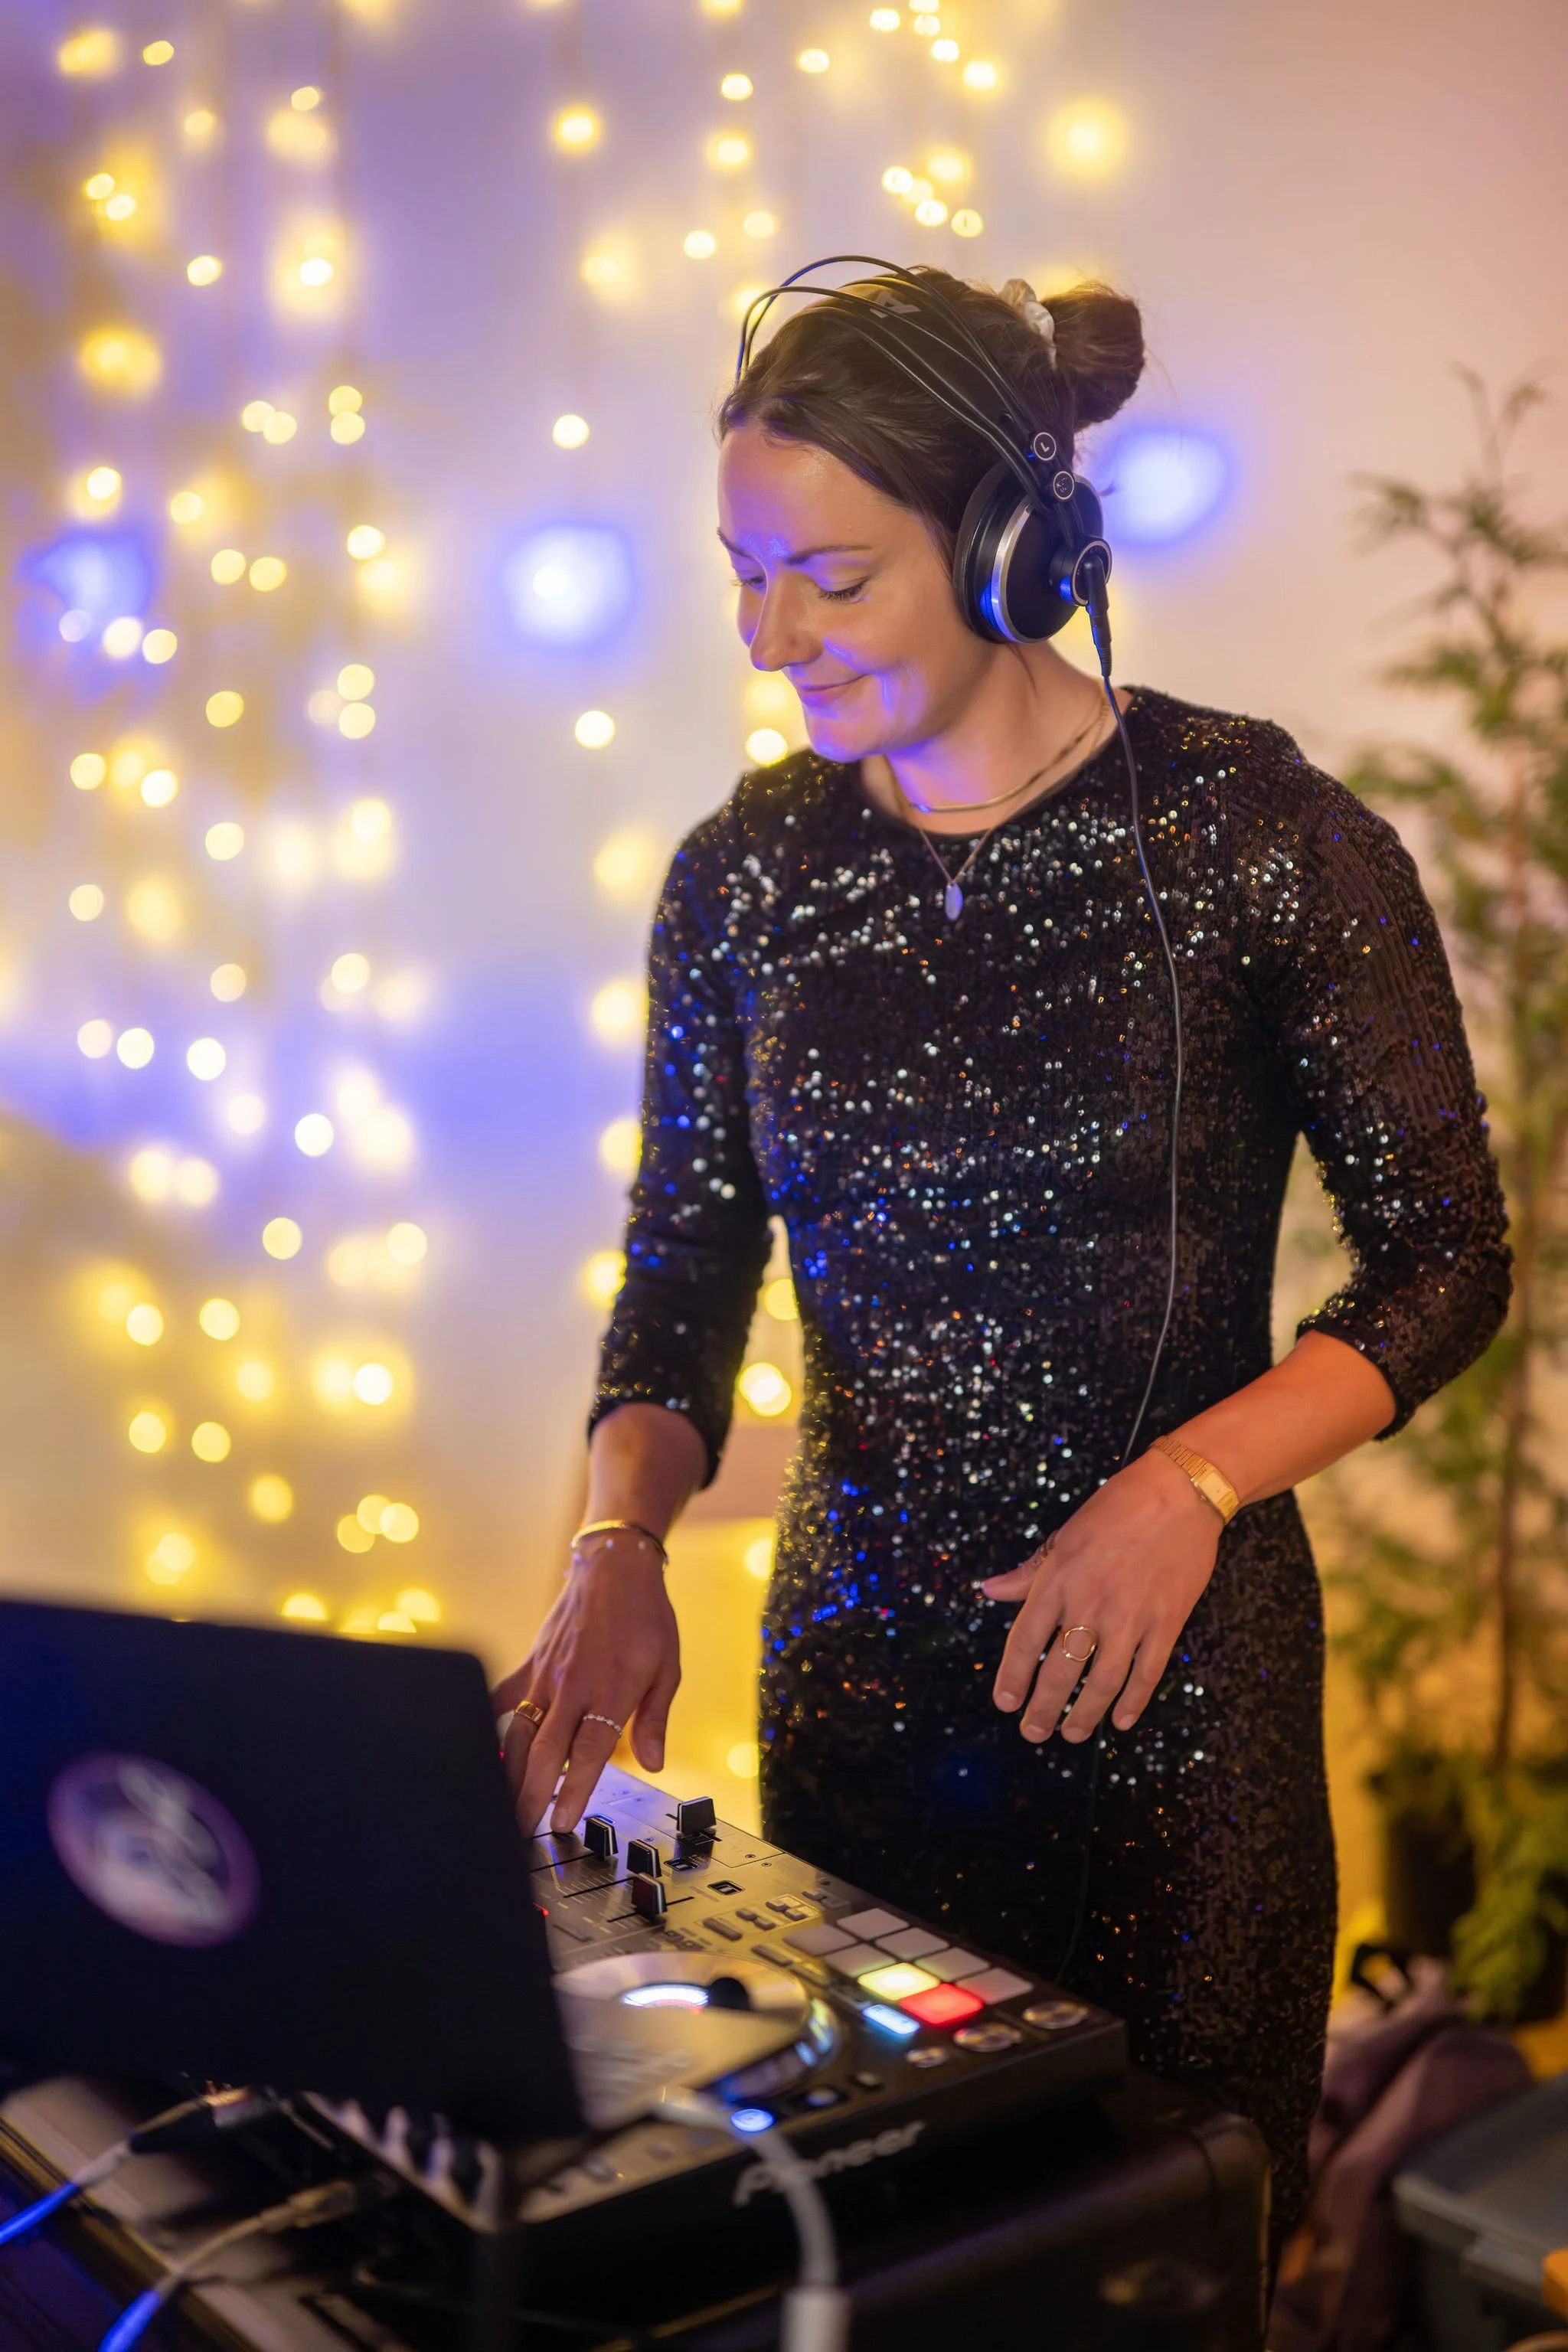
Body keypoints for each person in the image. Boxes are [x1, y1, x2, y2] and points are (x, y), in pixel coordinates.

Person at [494, 265, 1511, 2253]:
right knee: (912, 2275)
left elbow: (1443, 1263)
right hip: (864, 1703)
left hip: (1181, 1720)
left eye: (832, 576)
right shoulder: (745, 879)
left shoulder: (1255, 836)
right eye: (744, 567)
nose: (771, 633)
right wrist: (621, 1538)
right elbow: (681, 1276)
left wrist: (1190, 1481)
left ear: (1012, 549)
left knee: (1170, 2264)